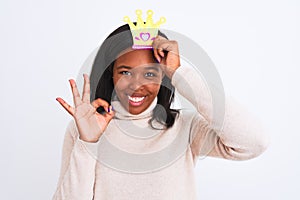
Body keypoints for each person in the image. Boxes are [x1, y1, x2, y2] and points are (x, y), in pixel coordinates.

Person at [53, 24, 269, 200]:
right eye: (125, 72)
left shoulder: (184, 126)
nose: (136, 85)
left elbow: (254, 141)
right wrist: (88, 143)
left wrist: (179, 72)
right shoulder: (84, 129)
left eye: (149, 74)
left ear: (163, 77)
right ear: (111, 74)